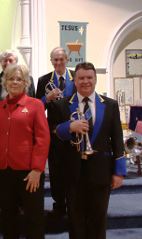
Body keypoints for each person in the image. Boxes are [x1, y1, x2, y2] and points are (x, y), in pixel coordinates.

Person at [51, 62, 127, 239]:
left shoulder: (110, 105)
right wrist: (69, 127)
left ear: (95, 79)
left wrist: (119, 172)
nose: (85, 81)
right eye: (81, 78)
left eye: (89, 77)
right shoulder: (61, 105)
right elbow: (52, 133)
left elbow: (117, 139)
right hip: (72, 173)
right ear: (74, 81)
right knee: (75, 223)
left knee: (98, 222)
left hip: (101, 172)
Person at [0, 64, 50, 238]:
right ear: (5, 82)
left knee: (34, 220)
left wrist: (37, 169)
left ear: (25, 82)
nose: (15, 82)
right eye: (11, 78)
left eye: (19, 79)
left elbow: (43, 139)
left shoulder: (35, 105)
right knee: (8, 220)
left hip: (29, 173)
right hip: (3, 172)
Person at [36, 46, 76, 216]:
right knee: (56, 169)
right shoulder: (44, 79)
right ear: (51, 61)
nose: (58, 62)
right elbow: (36, 106)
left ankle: (74, 203)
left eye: (62, 59)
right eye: (55, 59)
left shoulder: (77, 76)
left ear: (67, 60)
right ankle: (59, 203)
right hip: (53, 132)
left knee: (74, 168)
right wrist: (47, 98)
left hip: (75, 131)